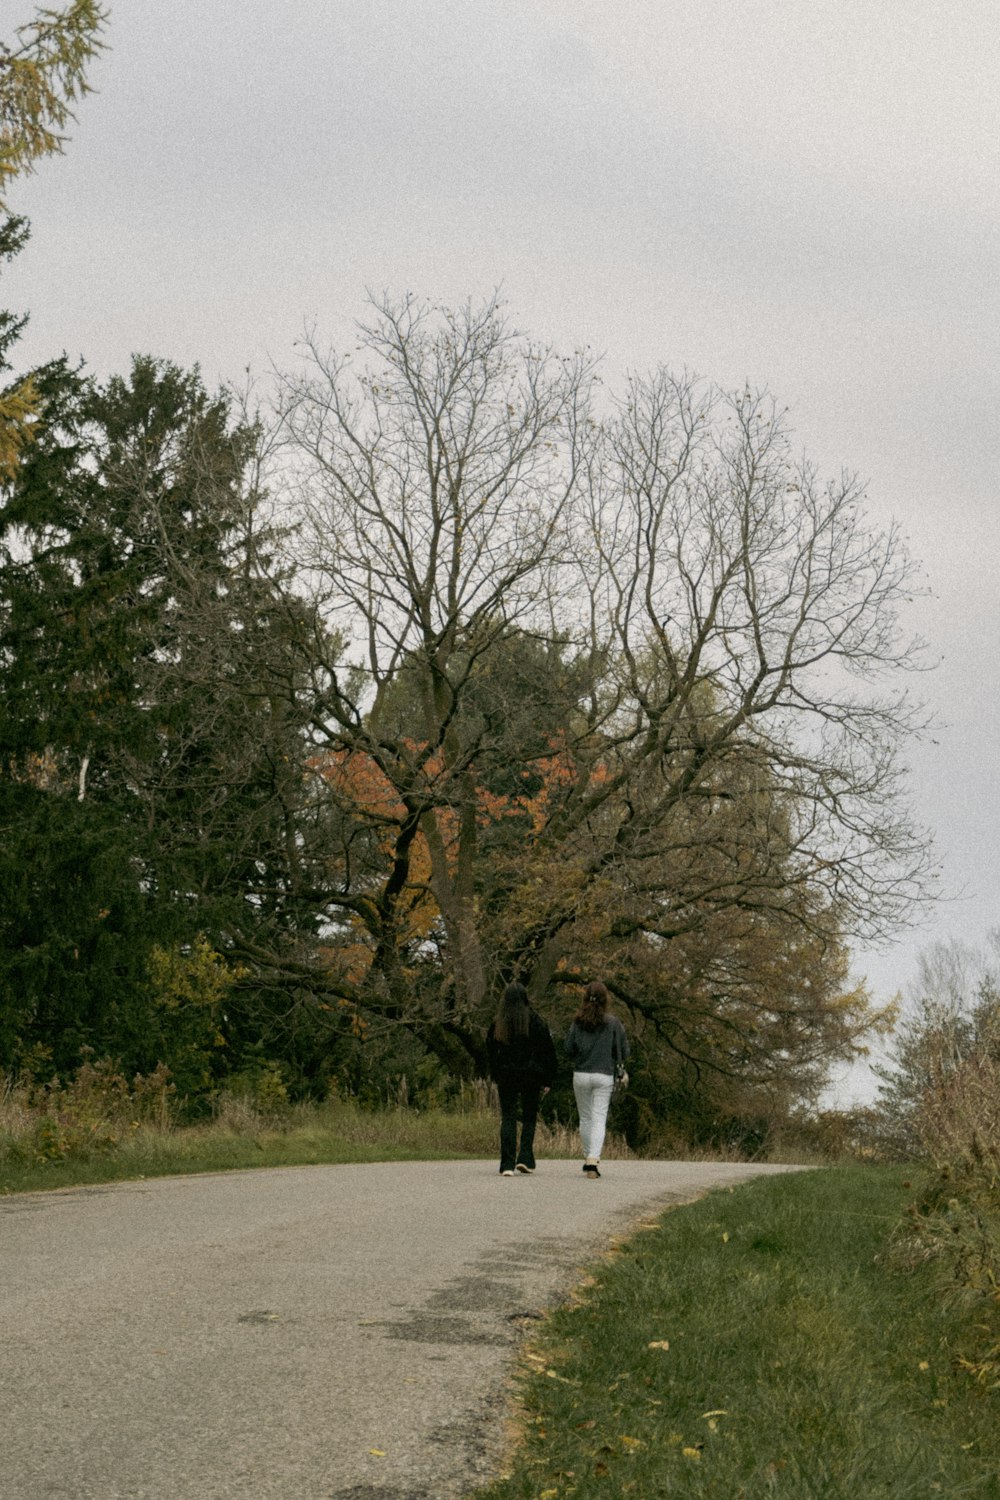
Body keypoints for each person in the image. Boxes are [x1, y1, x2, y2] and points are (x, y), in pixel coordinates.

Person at [486, 982, 558, 1177]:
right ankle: (525, 1156)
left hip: (507, 1075)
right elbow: (547, 1052)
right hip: (531, 1076)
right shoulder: (535, 1022)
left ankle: (506, 1163)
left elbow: (491, 1052)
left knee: (508, 1117)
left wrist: (495, 1074)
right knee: (529, 1117)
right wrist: (548, 1079)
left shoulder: (498, 1024)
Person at [564, 980, 629, 1179]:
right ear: (605, 1000)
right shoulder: (613, 1023)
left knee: (585, 1117)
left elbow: (568, 1049)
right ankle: (593, 1159)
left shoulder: (577, 1022)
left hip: (582, 1074)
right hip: (604, 1074)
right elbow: (624, 1051)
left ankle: (587, 1157)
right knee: (599, 1117)